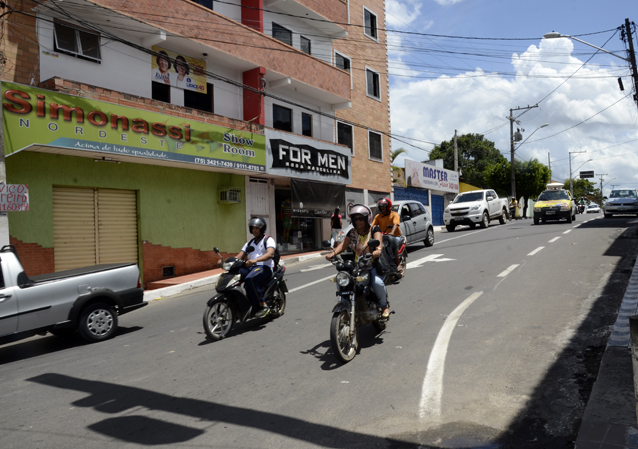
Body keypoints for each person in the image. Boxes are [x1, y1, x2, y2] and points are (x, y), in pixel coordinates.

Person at [325, 204, 390, 318]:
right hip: (357, 266)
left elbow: (378, 241)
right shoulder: (352, 232)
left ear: (367, 218)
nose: (358, 221)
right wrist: (333, 253)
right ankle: (345, 304)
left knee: (377, 283)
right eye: (355, 219)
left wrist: (378, 250)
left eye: (360, 218)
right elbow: (343, 245)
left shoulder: (375, 229)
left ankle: (384, 306)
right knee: (343, 280)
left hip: (372, 266)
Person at [235, 217, 276, 318]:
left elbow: (270, 254)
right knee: (235, 275)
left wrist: (255, 260)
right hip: (252, 267)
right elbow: (239, 256)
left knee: (250, 279)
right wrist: (226, 262)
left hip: (264, 267)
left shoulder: (268, 240)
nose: (254, 230)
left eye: (257, 228)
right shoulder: (249, 243)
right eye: (253, 228)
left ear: (262, 229)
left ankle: (263, 305)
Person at [371, 197, 402, 271]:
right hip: (383, 237)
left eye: (384, 206)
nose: (382, 208)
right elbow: (372, 226)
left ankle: (398, 263)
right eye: (381, 207)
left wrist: (391, 233)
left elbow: (395, 224)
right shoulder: (378, 216)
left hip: (395, 236)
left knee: (391, 245)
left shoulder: (394, 214)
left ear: (388, 206)